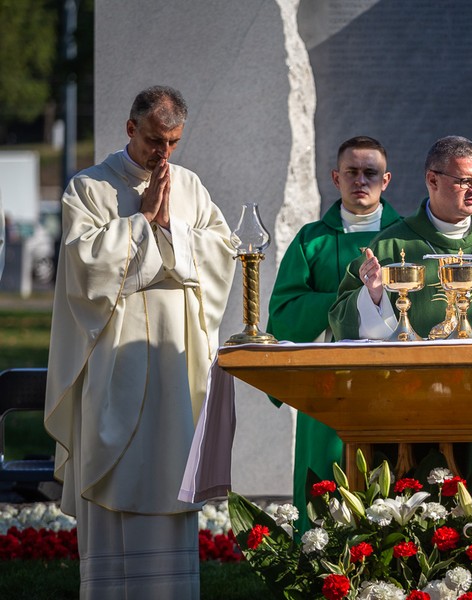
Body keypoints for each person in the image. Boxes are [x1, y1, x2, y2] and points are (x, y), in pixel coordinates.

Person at [43, 86, 236, 599]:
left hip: (174, 371)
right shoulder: (88, 188)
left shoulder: (191, 188)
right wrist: (142, 221)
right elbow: (84, 270)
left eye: (173, 142)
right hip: (113, 368)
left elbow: (221, 255)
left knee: (171, 475)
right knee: (114, 478)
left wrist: (173, 228)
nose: (164, 154)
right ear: (131, 130)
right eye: (155, 140)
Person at [328, 136, 472, 473]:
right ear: (432, 180)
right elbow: (341, 316)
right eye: (464, 181)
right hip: (412, 405)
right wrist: (374, 296)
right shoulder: (392, 243)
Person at [266, 135, 402, 529]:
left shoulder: (405, 237)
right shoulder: (313, 239)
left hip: (391, 380)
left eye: (370, 173)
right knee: (324, 475)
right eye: (352, 172)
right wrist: (347, 301)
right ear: (335, 178)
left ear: (386, 180)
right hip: (328, 383)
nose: (361, 181)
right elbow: (286, 310)